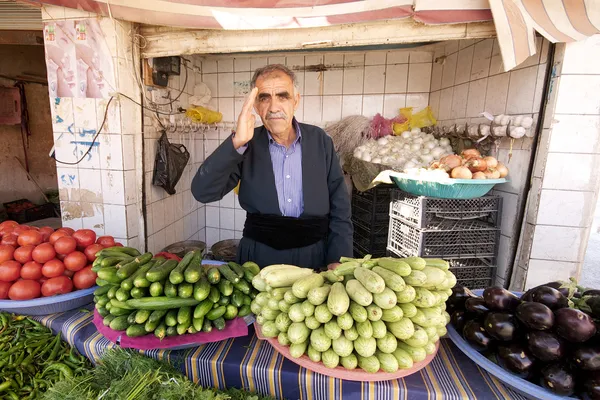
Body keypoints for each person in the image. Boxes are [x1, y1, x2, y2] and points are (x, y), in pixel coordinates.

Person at [191, 64, 352, 270]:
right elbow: (202, 192)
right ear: (256, 106)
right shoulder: (246, 144)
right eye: (264, 97)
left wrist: (338, 256)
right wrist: (236, 143)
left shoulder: (320, 140)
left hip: (314, 254)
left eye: (283, 96)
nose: (274, 107)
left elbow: (340, 205)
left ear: (296, 100)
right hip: (258, 257)